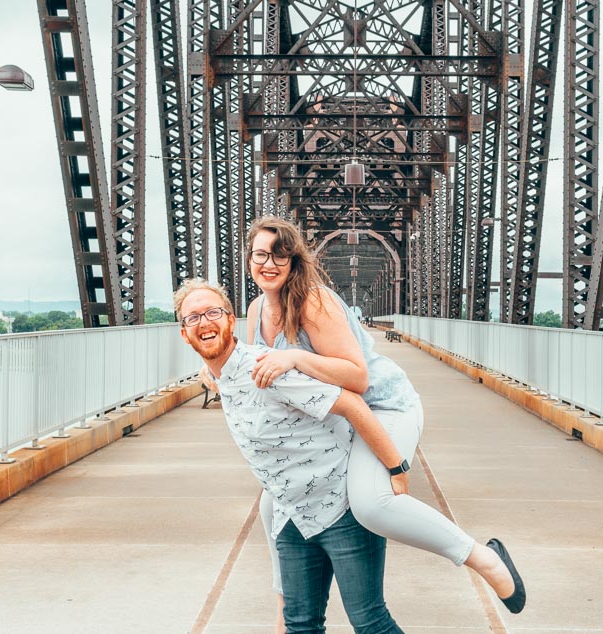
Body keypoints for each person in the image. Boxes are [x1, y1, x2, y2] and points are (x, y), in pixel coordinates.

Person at [204, 216, 526, 631]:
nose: (269, 263)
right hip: (342, 421)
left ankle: (483, 557)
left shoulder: (313, 302)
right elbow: (256, 373)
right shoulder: (254, 311)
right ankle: (288, 608)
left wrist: (297, 357)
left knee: (373, 503)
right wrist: (213, 372)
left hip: (385, 407)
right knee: (273, 503)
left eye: (279, 255)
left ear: (294, 260)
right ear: (248, 258)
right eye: (260, 254)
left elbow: (358, 379)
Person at [177, 278, 406, 633]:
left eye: (213, 312)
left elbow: (352, 403)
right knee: (300, 625)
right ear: (183, 333)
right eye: (193, 318)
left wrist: (396, 468)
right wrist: (211, 375)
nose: (204, 322)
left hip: (341, 508)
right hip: (293, 518)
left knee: (370, 622)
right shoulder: (221, 376)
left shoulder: (267, 369)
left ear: (230, 318)